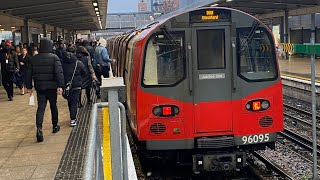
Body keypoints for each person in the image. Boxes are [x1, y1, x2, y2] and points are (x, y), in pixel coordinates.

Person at [26, 38, 64, 142]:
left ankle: (39, 128)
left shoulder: (34, 59)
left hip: (40, 88)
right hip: (52, 88)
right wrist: (60, 86)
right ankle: (55, 126)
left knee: (41, 108)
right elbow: (59, 73)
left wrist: (29, 87)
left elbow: (28, 74)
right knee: (53, 106)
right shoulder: (54, 58)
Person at [62, 51, 87, 127]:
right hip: (77, 86)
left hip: (67, 86)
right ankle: (73, 119)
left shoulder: (63, 65)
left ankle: (72, 116)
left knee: (70, 102)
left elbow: (60, 74)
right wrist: (80, 79)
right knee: (74, 102)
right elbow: (84, 72)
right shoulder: (78, 63)